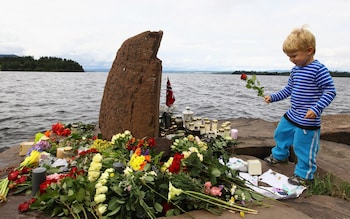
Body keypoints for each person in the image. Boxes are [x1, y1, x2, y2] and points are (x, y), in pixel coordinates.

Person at [264, 26, 336, 186]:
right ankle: (280, 155)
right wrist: (273, 97)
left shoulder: (319, 69)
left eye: (294, 55)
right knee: (281, 133)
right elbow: (289, 89)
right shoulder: (295, 70)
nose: (291, 59)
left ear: (309, 50)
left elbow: (330, 91)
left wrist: (316, 109)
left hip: (308, 119)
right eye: (289, 56)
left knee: (303, 147)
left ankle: (305, 175)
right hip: (292, 114)